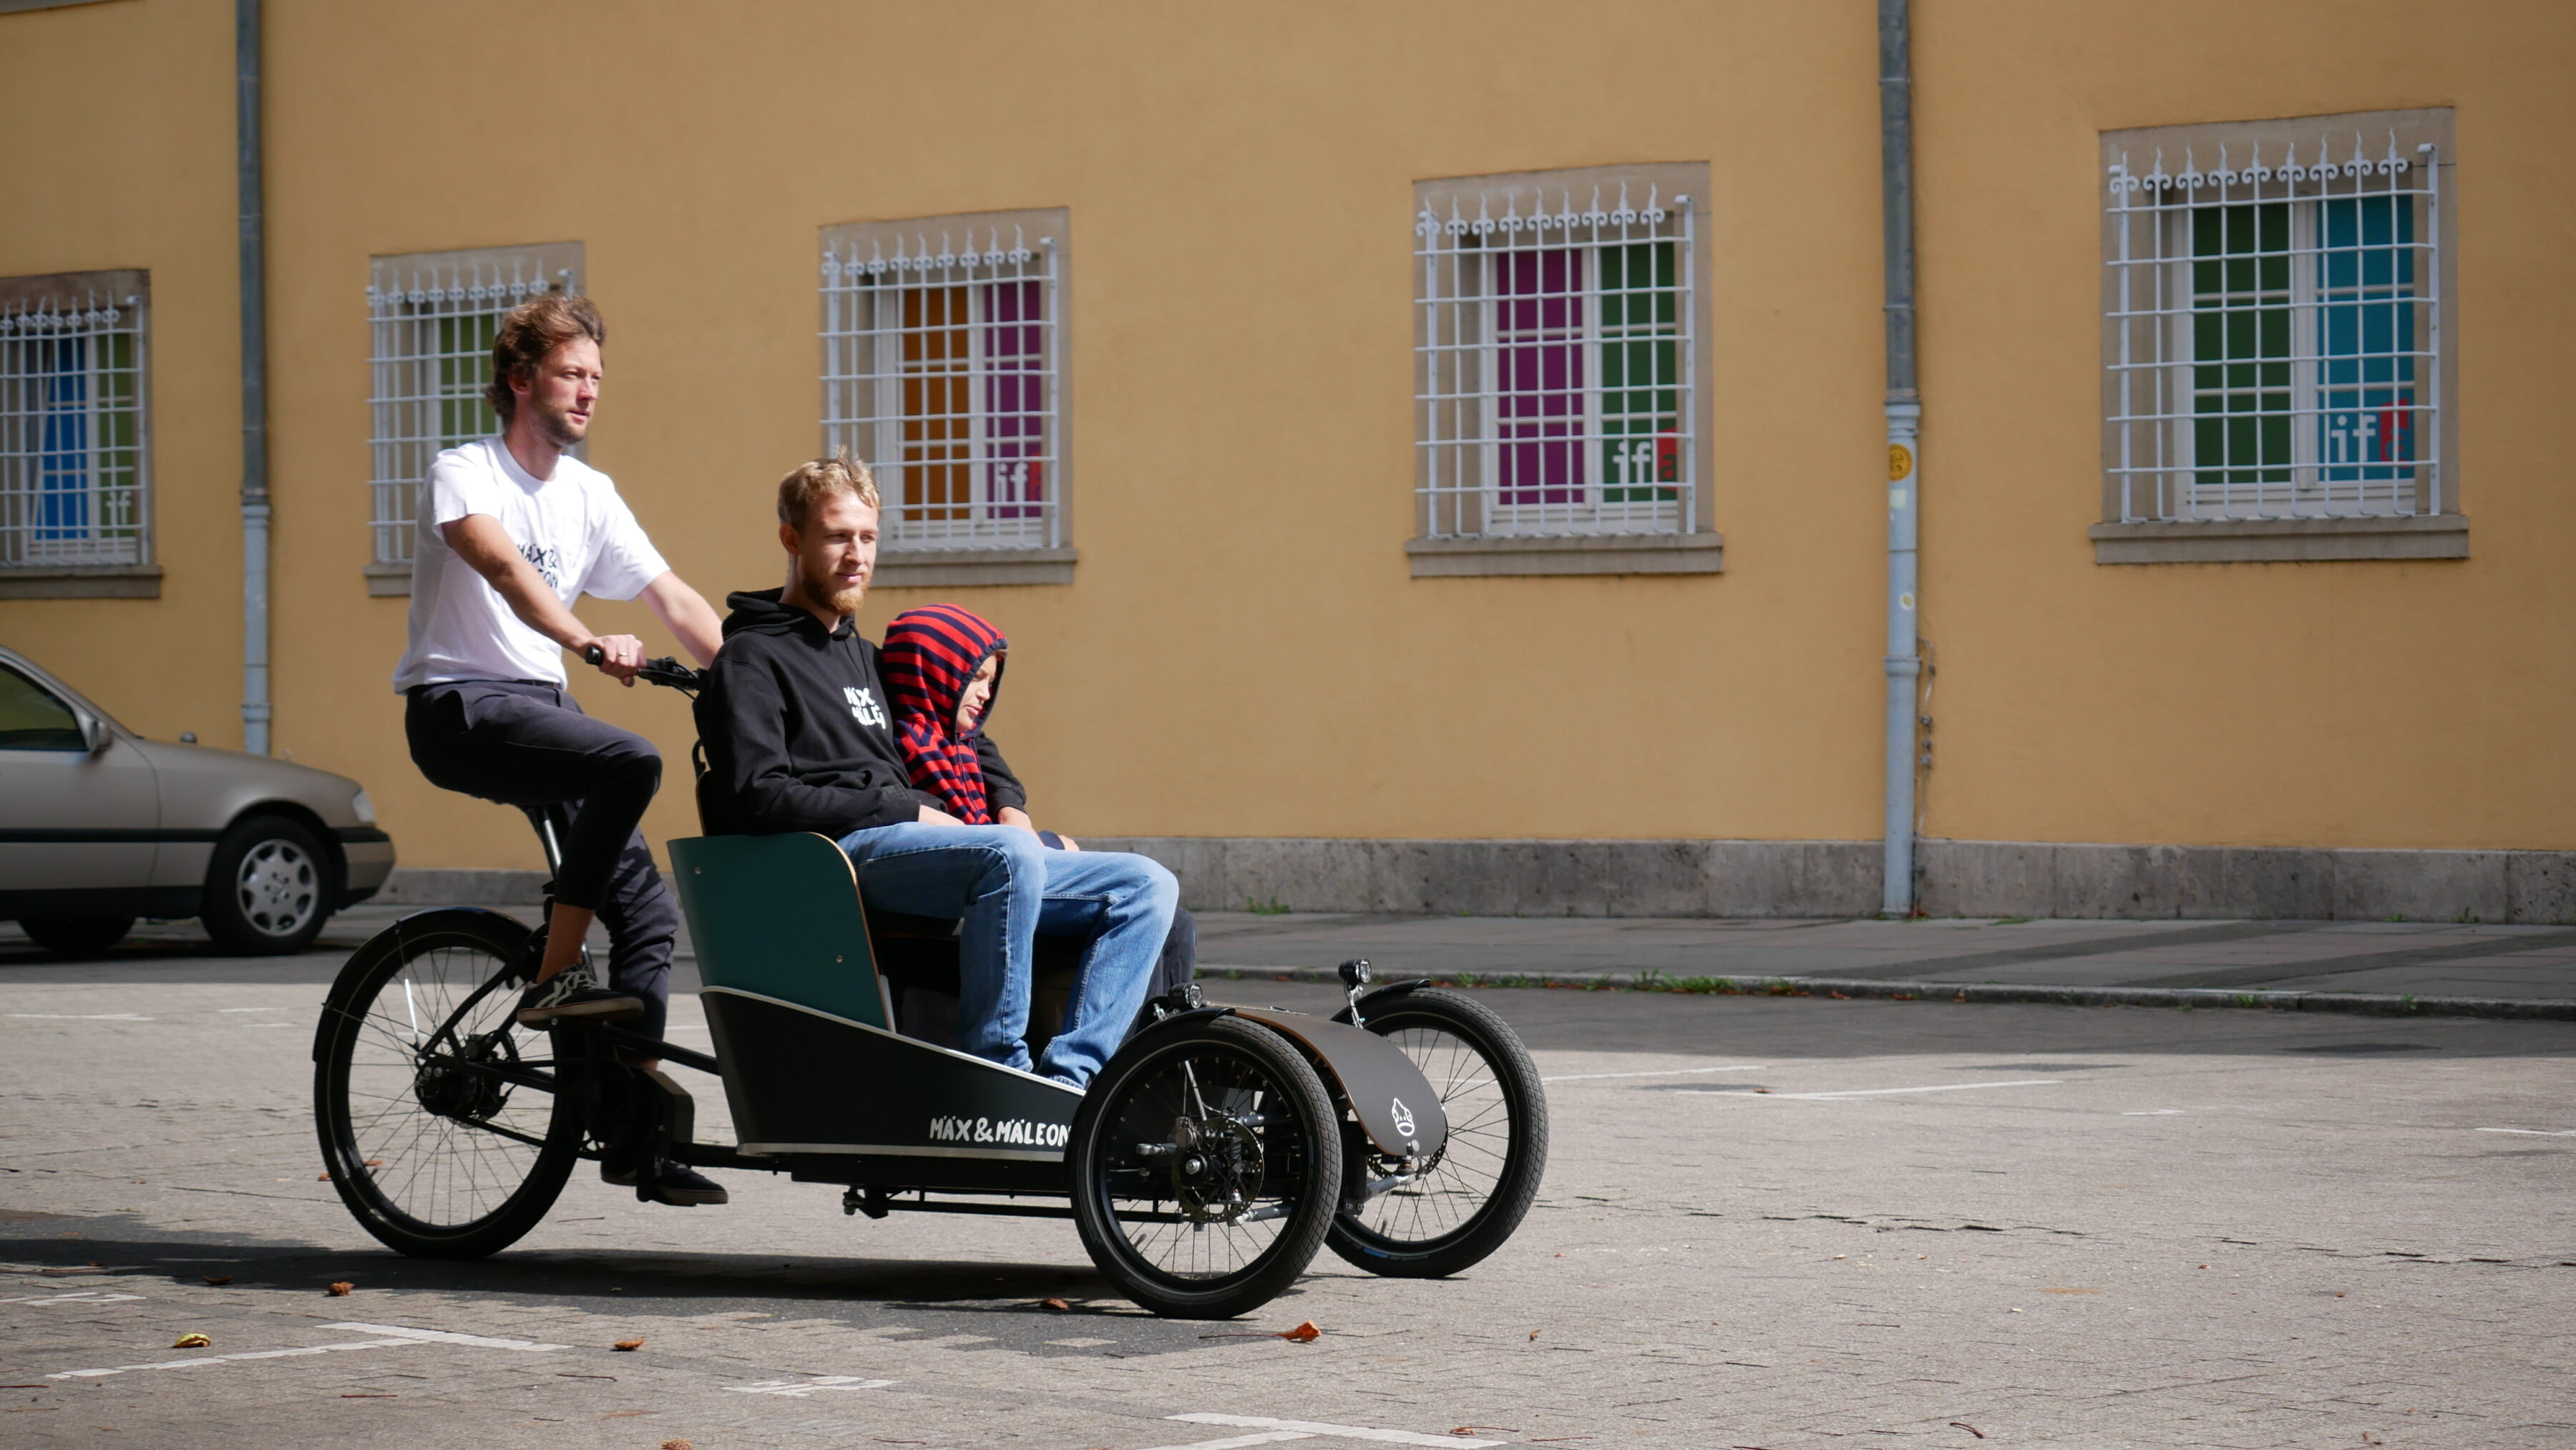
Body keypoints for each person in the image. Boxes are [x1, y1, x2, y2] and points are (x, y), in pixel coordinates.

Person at [392, 291, 728, 1206]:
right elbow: (503, 568)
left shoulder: (591, 494)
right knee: (630, 760)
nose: (588, 392)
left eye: (597, 377)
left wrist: (755, 685)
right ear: (520, 378)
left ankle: (631, 1134)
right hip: (460, 703)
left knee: (651, 915)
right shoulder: (465, 471)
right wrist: (585, 639)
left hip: (542, 711)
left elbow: (673, 599)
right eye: (571, 373)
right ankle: (552, 976)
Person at [696, 455, 1176, 1086]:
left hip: (921, 847)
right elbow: (758, 796)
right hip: (837, 858)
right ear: (792, 539)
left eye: (868, 538)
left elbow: (962, 731)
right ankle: (997, 1072)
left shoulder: (868, 657)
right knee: (1007, 856)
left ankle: (1070, 1082)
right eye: (837, 537)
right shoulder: (751, 660)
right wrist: (904, 809)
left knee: (1146, 884)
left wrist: (1009, 804)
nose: (856, 556)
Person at [877, 603, 1199, 1016]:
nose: (985, 694)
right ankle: (1110, 1051)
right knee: (1142, 898)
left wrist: (1019, 820)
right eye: (975, 678)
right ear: (936, 673)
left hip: (1004, 863)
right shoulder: (895, 744)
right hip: (969, 882)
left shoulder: (964, 742)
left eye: (990, 681)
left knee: (1174, 921)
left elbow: (1004, 788)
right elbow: (949, 832)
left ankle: (1145, 1048)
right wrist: (1041, 845)